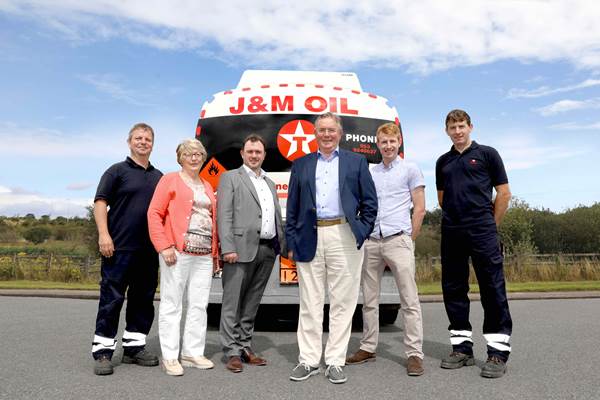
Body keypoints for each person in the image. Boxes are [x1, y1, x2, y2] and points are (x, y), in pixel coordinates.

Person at [286, 112, 378, 384]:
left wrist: (361, 232)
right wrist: (291, 241)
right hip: (309, 235)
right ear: (315, 133)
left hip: (344, 235)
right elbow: (292, 208)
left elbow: (370, 204)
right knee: (310, 302)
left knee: (343, 302)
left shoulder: (356, 162)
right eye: (322, 130)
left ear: (340, 133)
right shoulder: (301, 164)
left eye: (331, 130)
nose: (326, 134)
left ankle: (335, 361)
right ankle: (309, 360)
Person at [436, 109, 512, 378]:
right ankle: (462, 349)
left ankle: (497, 353)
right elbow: (442, 198)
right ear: (446, 131)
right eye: (452, 127)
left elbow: (504, 194)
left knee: (492, 288)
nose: (457, 131)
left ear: (470, 127)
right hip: (453, 231)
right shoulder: (442, 161)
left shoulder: (488, 154)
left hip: (483, 230)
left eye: (461, 126)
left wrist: (490, 225)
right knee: (453, 288)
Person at [346, 122, 426, 376]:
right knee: (369, 300)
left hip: (397, 239)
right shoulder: (370, 171)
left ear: (399, 142)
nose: (388, 146)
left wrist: (409, 238)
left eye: (392, 141)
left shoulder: (411, 169)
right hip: (371, 241)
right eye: (384, 142)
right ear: (377, 145)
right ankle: (368, 347)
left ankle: (414, 353)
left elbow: (420, 208)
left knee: (409, 299)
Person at [91, 123, 163, 376]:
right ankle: (102, 352)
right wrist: (104, 235)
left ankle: (134, 347)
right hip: (117, 247)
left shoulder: (159, 177)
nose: (143, 142)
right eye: (138, 138)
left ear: (153, 144)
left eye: (147, 139)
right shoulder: (116, 171)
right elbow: (100, 203)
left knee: (143, 301)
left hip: (148, 250)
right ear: (129, 141)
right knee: (112, 300)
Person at [147, 138, 220, 376]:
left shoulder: (207, 185)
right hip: (176, 252)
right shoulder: (170, 180)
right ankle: (170, 356)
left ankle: (192, 353)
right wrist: (164, 246)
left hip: (204, 253)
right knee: (172, 304)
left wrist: (215, 254)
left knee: (199, 305)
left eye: (198, 153)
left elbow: (212, 220)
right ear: (180, 158)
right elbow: (154, 213)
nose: (194, 158)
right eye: (189, 154)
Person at [217, 134, 286, 373]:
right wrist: (227, 248)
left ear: (264, 155)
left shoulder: (269, 182)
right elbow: (224, 215)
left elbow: (274, 216)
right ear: (242, 154)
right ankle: (231, 351)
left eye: (258, 152)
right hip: (239, 250)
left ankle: (245, 346)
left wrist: (281, 246)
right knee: (232, 303)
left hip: (267, 250)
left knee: (251, 304)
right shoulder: (230, 178)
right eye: (250, 151)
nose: (254, 155)